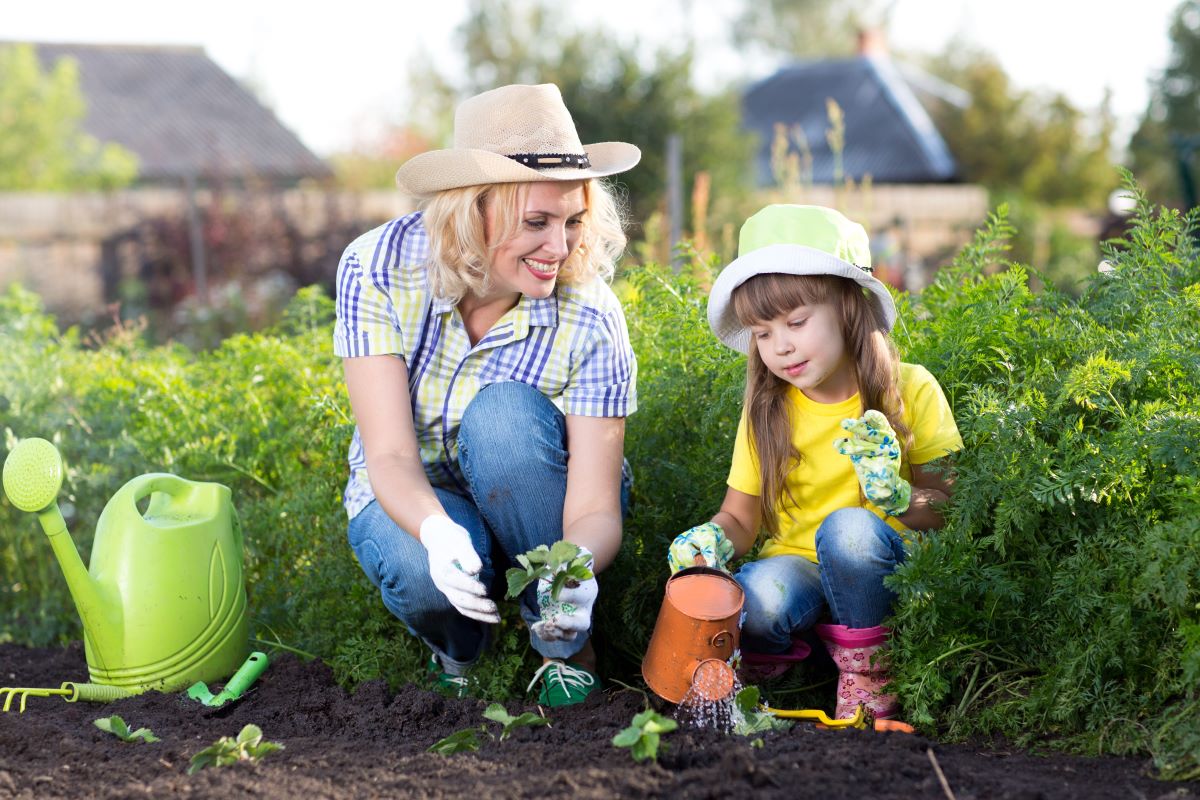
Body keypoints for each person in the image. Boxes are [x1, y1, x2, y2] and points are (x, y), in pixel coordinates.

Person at [334, 83, 641, 707]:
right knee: (424, 572)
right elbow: (388, 457)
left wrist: (575, 565)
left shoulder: (590, 314)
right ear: (473, 211)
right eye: (537, 222)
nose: (560, 248)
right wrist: (436, 533)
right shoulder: (379, 268)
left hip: (539, 494)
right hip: (417, 490)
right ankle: (463, 649)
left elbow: (595, 507)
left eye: (573, 221)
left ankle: (565, 646)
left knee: (501, 415)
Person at [668, 204, 962, 723]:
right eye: (761, 333)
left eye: (796, 322)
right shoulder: (769, 409)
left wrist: (899, 496)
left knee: (848, 532)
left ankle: (871, 672)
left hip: (883, 566)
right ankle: (785, 669)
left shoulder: (911, 388)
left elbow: (946, 508)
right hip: (798, 566)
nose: (780, 346)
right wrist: (709, 539)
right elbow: (740, 518)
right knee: (755, 599)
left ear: (849, 308)